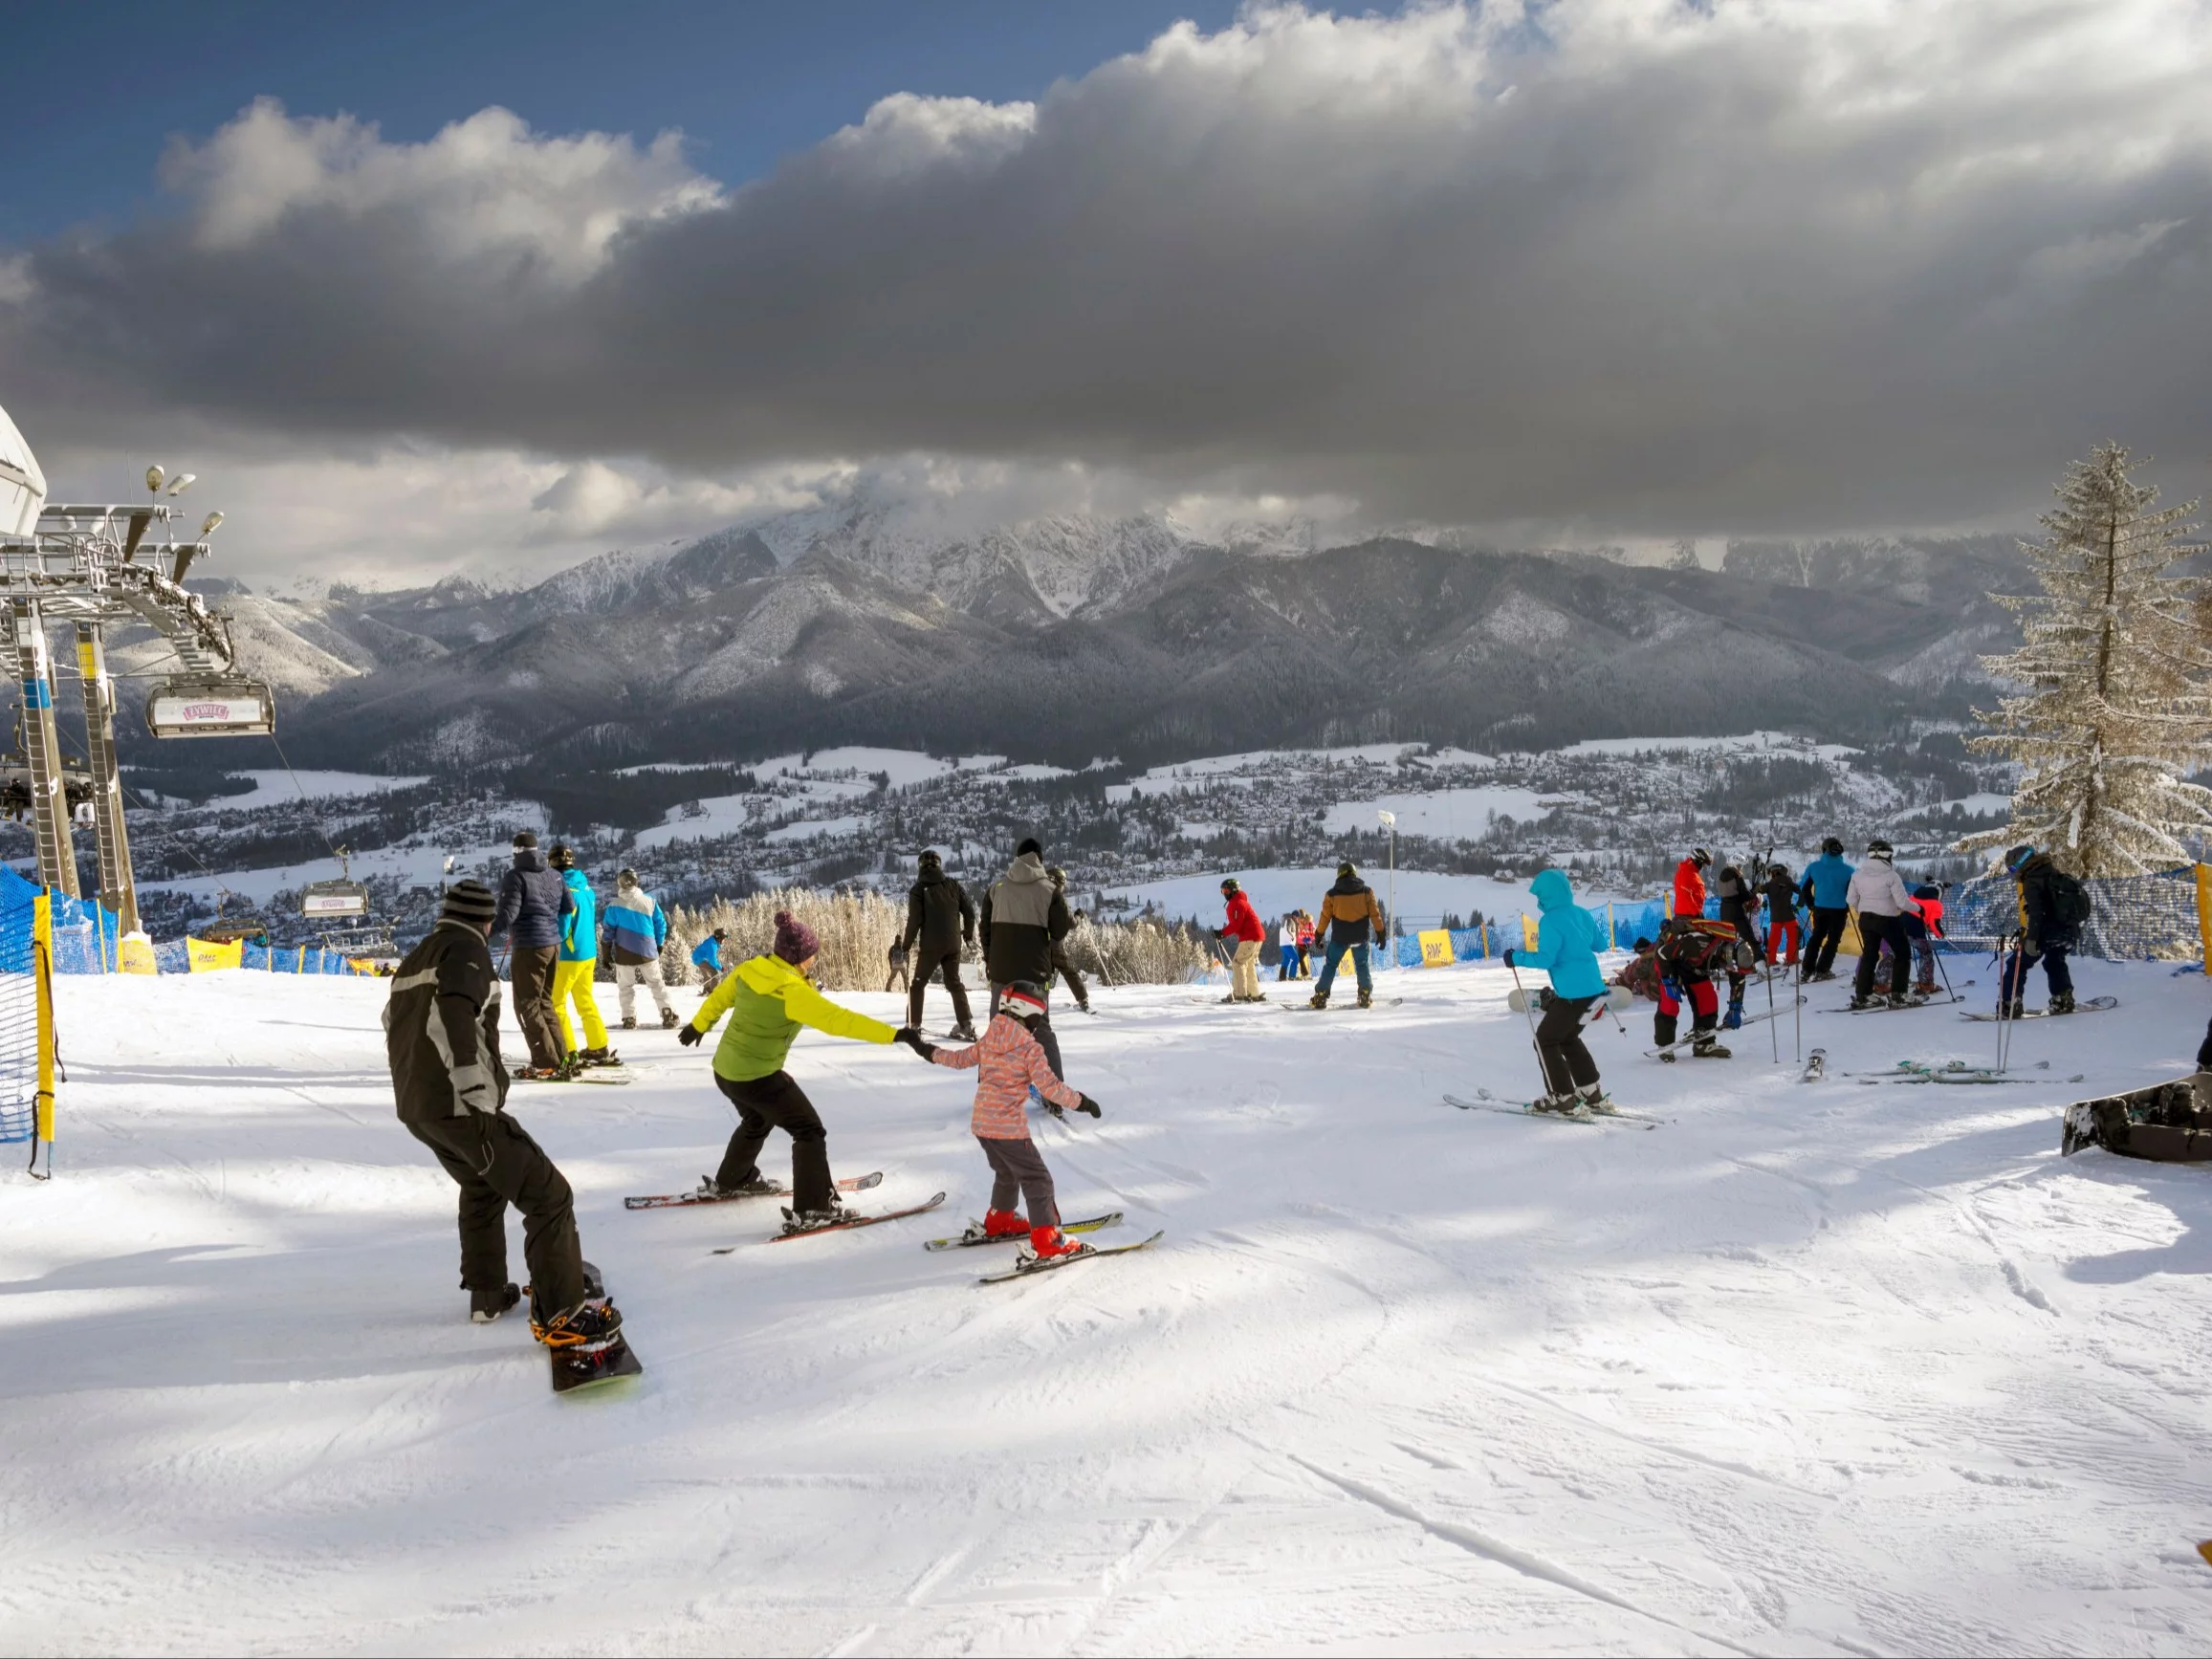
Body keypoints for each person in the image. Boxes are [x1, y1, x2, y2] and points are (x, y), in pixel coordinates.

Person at [385, 878, 619, 1347]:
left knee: (482, 1185)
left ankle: (487, 1294)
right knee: (549, 1195)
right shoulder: (465, 952)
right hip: (461, 1105)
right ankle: (563, 1314)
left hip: (419, 1108)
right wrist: (475, 1088)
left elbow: (393, 1023)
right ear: (485, 921)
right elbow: (453, 1013)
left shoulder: (419, 955)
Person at [679, 909, 908, 1231]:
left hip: (725, 1070)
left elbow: (718, 998)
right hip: (756, 1076)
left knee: (757, 1119)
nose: (814, 960)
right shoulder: (792, 991)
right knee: (809, 1130)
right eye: (812, 955)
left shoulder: (748, 970)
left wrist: (698, 1026)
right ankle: (814, 1210)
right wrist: (895, 1034)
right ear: (800, 958)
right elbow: (841, 1020)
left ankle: (734, 1179)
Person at [909, 981, 1103, 1263]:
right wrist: (1082, 1102)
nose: (1037, 1024)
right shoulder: (1029, 1048)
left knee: (1008, 1173)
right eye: (1037, 1017)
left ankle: (1000, 1219)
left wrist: (927, 1050)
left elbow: (959, 1059)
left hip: (983, 1127)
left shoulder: (991, 1038)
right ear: (1028, 1013)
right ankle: (1047, 1239)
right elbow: (1051, 1088)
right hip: (1008, 1130)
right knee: (1038, 1179)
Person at [1501, 868, 1612, 1114]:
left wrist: (1515, 957)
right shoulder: (1581, 913)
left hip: (1572, 994)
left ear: (1547, 896)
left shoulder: (1550, 920)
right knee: (1568, 1037)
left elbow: (1545, 959)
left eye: (1539, 896)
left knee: (1545, 1041)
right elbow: (1600, 944)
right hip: (1595, 990)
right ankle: (1590, 1090)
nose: (1538, 901)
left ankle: (1561, 1096)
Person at [980, 838, 1075, 1078]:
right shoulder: (1049, 891)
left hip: (1002, 973)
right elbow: (1061, 929)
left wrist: (991, 960)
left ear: (1017, 858)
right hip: (1035, 974)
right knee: (1042, 1031)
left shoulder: (996, 889)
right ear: (1039, 859)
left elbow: (985, 930)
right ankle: (1054, 1091)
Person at [490, 830, 570, 1079]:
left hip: (529, 947)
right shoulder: (554, 875)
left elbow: (507, 915)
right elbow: (569, 906)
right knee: (545, 1002)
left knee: (527, 1004)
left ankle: (546, 1062)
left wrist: (483, 932)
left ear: (515, 852)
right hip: (553, 945)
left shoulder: (515, 877)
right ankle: (561, 1056)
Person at [900, 849, 978, 1038]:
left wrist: (905, 946)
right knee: (954, 983)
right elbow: (970, 912)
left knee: (918, 983)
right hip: (954, 943)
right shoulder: (953, 885)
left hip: (931, 945)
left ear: (920, 867)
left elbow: (915, 920)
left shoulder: (918, 890)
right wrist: (967, 935)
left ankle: (913, 1025)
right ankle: (966, 1025)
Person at [545, 844, 612, 1064]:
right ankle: (598, 1045)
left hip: (569, 955)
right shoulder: (585, 888)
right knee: (585, 1000)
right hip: (588, 953)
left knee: (556, 1003)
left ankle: (567, 1050)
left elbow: (562, 930)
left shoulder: (565, 891)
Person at [2002, 845, 2085, 1016]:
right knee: (2054, 961)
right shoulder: (2053, 873)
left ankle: (2010, 1005)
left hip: (2046, 932)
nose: (2013, 873)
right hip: (2068, 932)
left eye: (2012, 868)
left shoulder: (2031, 880)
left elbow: (2038, 912)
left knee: (2016, 964)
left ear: (2020, 862)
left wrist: (2031, 939)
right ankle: (2063, 999)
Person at [601, 869, 678, 1030]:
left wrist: (606, 954)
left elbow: (608, 931)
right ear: (636, 882)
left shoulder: (614, 905)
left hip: (624, 953)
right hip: (648, 952)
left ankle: (629, 1018)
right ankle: (667, 1013)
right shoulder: (649, 901)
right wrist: (659, 944)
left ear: (620, 883)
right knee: (657, 984)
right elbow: (660, 924)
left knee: (625, 987)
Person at [1846, 838, 1916, 1009]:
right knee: (1903, 953)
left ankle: (1863, 995)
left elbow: (1850, 899)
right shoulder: (1891, 875)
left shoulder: (1857, 875)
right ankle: (1898, 994)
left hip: (1865, 919)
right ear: (1888, 856)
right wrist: (1918, 908)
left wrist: (1863, 907)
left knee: (1869, 955)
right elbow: (1902, 903)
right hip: (1887, 919)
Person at [1309, 862, 1387, 1010]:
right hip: (1360, 937)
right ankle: (1364, 994)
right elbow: (1375, 914)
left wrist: (1319, 934)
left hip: (1340, 938)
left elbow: (1325, 917)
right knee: (1362, 964)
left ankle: (1321, 996)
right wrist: (1380, 932)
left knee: (1331, 965)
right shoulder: (1366, 892)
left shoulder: (1331, 894)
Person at [1797, 838, 1855, 982]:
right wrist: (1847, 904)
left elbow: (1804, 889)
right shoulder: (1849, 870)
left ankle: (1806, 970)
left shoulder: (1813, 867)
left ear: (1824, 850)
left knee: (1816, 937)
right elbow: (1851, 892)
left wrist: (1811, 904)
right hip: (1839, 909)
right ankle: (1823, 970)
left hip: (1820, 908)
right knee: (1833, 940)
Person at [1713, 861, 1762, 1029]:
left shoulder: (1724, 903)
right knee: (1740, 974)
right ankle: (1734, 1012)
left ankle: (1732, 1011)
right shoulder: (1737, 903)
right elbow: (1748, 934)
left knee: (1733, 967)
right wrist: (1759, 955)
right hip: (1739, 937)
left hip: (1727, 945)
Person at [1046, 866, 1093, 1014]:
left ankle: (1040, 1001)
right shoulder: (1058, 898)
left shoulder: (1038, 896)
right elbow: (1071, 922)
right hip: (1055, 944)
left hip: (1039, 943)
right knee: (1068, 971)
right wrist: (1079, 915)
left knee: (1043, 974)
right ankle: (1082, 999)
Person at [1215, 877, 1266, 1002]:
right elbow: (1238, 924)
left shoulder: (1237, 903)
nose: (1224, 894)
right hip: (1255, 937)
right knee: (1247, 964)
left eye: (1226, 891)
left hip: (1251, 937)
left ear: (1233, 890)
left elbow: (1236, 924)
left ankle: (1239, 994)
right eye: (1222, 891)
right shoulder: (1239, 902)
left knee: (1237, 963)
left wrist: (1222, 933)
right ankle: (1253, 993)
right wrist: (1222, 933)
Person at [1905, 880, 1945, 996]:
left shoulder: (1914, 895)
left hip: (1901, 924)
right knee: (1926, 953)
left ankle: (1882, 982)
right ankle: (1926, 984)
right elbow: (1934, 923)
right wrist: (1941, 935)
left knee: (1896, 953)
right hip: (1915, 929)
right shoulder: (1936, 903)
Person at [1760, 862, 1802, 968]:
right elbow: (1802, 892)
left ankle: (1771, 960)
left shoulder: (1769, 885)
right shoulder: (1789, 881)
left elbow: (1756, 891)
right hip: (1789, 915)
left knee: (1774, 939)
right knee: (1793, 936)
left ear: (1773, 873)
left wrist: (1761, 903)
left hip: (1775, 917)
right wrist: (1798, 906)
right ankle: (1791, 958)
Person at [691, 927, 729, 995]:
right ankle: (712, 991)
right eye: (723, 939)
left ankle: (706, 990)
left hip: (697, 958)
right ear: (719, 938)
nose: (724, 941)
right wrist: (721, 968)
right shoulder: (712, 945)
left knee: (707, 975)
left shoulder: (712, 941)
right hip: (700, 959)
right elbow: (713, 961)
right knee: (715, 973)